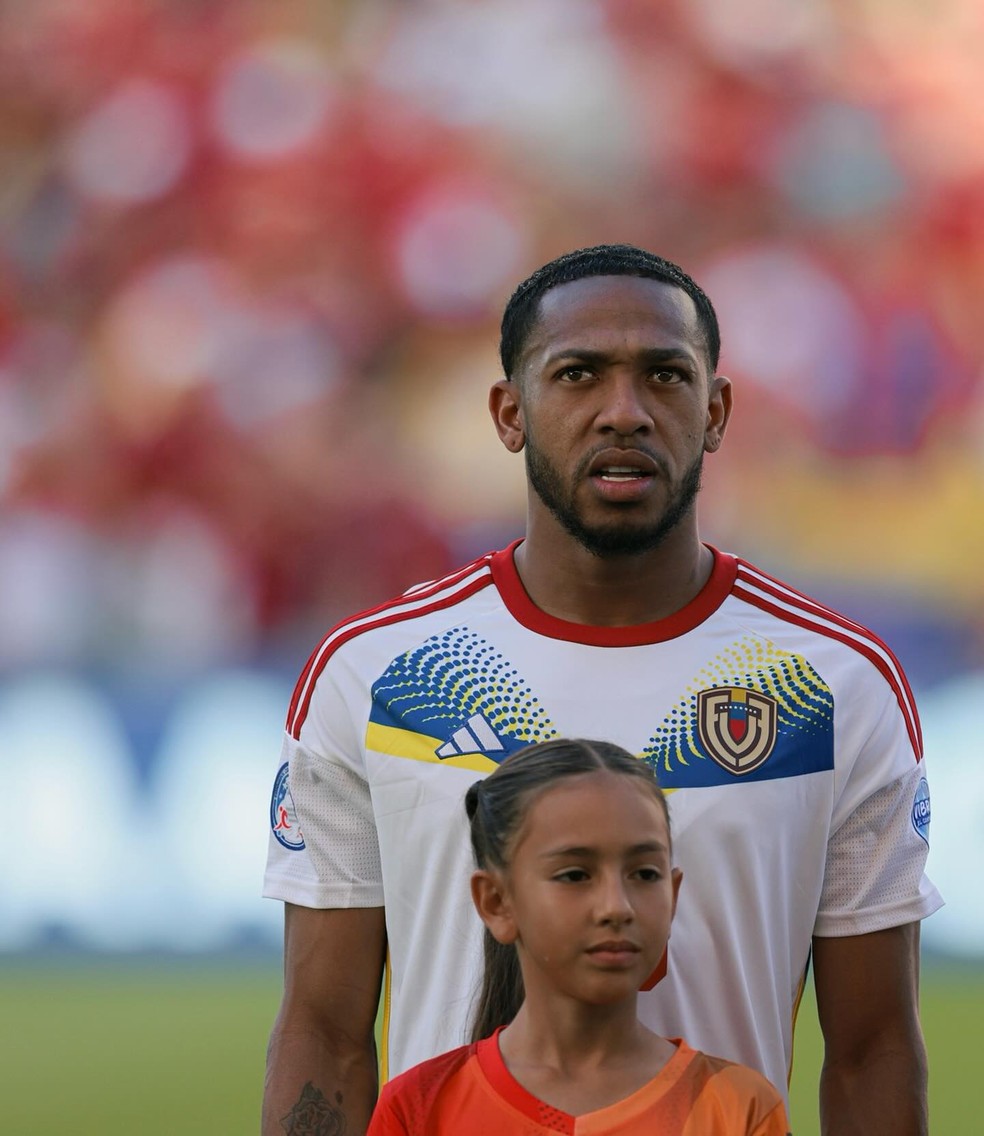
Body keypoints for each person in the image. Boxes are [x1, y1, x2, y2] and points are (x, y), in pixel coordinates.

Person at [262, 243, 942, 1136]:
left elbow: (872, 1050)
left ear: (717, 410)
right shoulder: (376, 671)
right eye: (578, 374)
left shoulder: (837, 684)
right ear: (509, 412)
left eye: (665, 376)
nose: (624, 413)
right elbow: (324, 1033)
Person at [366, 737, 791, 1135]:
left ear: (673, 893)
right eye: (575, 875)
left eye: (644, 874)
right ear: (496, 901)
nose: (616, 907)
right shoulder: (420, 1108)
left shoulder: (739, 1108)